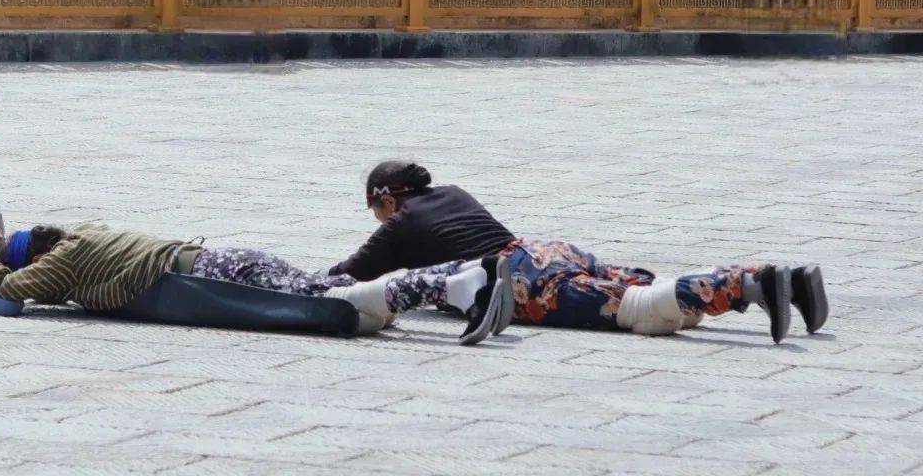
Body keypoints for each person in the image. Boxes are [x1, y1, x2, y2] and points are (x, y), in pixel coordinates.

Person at [327, 161, 829, 344]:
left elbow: (349, 275)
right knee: (640, 289)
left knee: (640, 312)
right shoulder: (453, 192)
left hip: (520, 281)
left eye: (377, 210)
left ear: (386, 200)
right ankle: (790, 279)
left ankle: (749, 283)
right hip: (543, 251)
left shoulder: (398, 223)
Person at [0, 187, 514, 346]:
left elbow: (4, 299)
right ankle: (460, 287)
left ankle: (460, 281)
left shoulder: (63, 262)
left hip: (206, 276)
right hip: (225, 259)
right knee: (331, 288)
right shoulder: (85, 231)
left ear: (40, 256)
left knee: (328, 300)